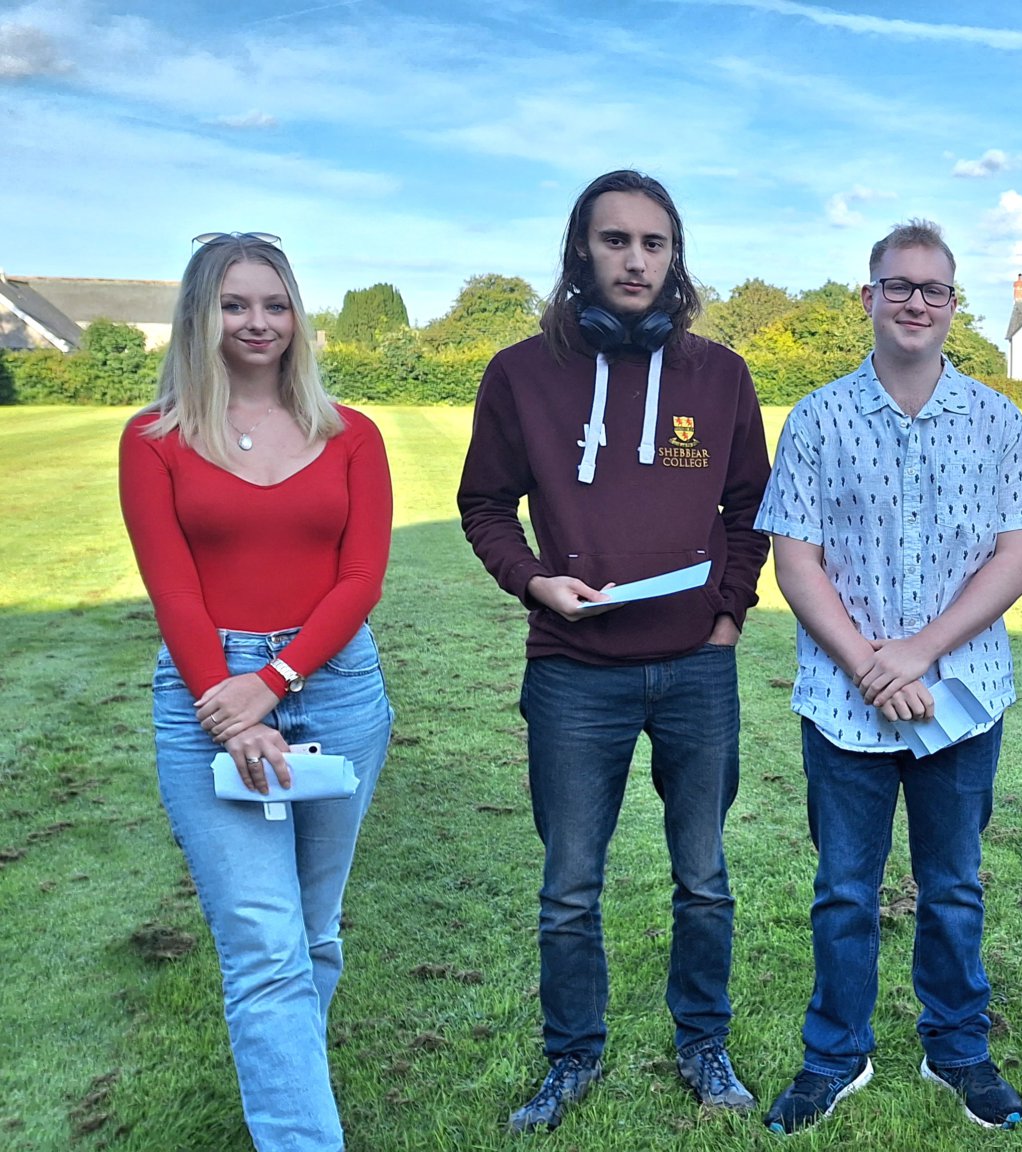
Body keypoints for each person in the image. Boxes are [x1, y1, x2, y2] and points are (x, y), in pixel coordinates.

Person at [456, 170, 771, 1133]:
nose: (636, 259)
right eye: (615, 240)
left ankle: (703, 1044)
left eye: (655, 243)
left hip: (696, 673)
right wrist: (533, 580)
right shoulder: (520, 372)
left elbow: (750, 506)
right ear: (579, 252)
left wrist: (725, 619)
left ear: (676, 258)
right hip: (571, 674)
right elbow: (483, 505)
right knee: (569, 885)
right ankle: (572, 1057)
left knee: (705, 876)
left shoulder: (719, 376)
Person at [753, 219, 1022, 1135]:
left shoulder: (997, 419)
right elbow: (794, 562)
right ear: (869, 296)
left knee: (954, 885)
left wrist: (916, 653)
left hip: (962, 696)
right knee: (845, 888)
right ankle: (835, 1054)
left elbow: (1016, 557)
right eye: (899, 286)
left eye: (935, 290)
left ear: (955, 306)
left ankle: (957, 1047)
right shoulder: (818, 416)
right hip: (843, 703)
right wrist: (869, 667)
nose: (917, 302)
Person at [119, 232, 394, 1152]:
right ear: (201, 315)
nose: (258, 322)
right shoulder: (154, 441)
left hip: (336, 690)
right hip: (206, 694)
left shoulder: (352, 433)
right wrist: (230, 705)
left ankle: (288, 1087)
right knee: (265, 947)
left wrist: (272, 684)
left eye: (274, 303)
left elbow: (360, 578)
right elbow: (174, 590)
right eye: (235, 304)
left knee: (313, 935)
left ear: (297, 315)